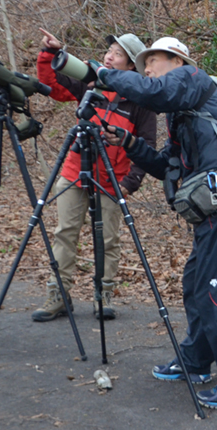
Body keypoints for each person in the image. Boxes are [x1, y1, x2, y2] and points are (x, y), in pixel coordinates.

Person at [99, 36, 217, 410]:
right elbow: (167, 166)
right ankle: (195, 361)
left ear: (176, 60)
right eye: (142, 65)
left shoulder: (192, 79)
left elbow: (151, 92)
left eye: (151, 61)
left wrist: (105, 74)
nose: (146, 70)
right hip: (215, 198)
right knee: (196, 280)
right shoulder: (182, 109)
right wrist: (127, 141)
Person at [32, 29, 157, 322]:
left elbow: (147, 145)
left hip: (113, 179)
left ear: (130, 66)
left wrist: (131, 182)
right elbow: (50, 84)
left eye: (117, 54)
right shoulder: (90, 82)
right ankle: (58, 295)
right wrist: (50, 53)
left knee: (107, 239)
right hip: (76, 170)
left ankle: (104, 295)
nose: (109, 57)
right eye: (109, 51)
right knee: (65, 233)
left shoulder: (141, 101)